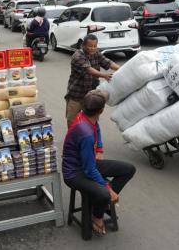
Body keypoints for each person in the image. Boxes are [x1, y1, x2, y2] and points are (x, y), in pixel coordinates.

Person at [62, 90, 136, 236]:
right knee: (104, 193)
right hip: (74, 173)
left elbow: (97, 128)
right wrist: (108, 189)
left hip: (88, 163)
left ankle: (100, 205)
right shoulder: (85, 133)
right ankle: (97, 215)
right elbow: (89, 170)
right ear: (101, 111)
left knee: (128, 169)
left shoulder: (86, 117)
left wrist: (100, 149)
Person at [65, 34, 120, 127]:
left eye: (95, 46)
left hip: (91, 94)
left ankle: (92, 138)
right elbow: (88, 69)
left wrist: (122, 69)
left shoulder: (96, 53)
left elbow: (108, 62)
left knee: (92, 120)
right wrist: (104, 75)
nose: (92, 48)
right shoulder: (77, 56)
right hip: (77, 94)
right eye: (90, 46)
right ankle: (73, 138)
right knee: (72, 120)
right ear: (83, 45)